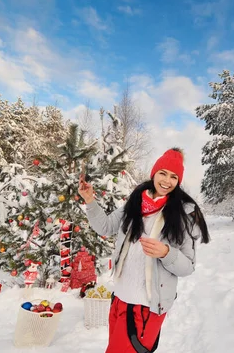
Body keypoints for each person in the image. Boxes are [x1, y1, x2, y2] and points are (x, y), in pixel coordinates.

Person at [78, 148, 210, 353]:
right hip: (120, 299)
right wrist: (89, 200)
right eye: (163, 173)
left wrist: (167, 253)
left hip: (146, 308)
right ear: (154, 173)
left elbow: (188, 266)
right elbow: (104, 226)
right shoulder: (135, 203)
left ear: (178, 180)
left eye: (174, 176)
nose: (167, 181)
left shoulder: (185, 214)